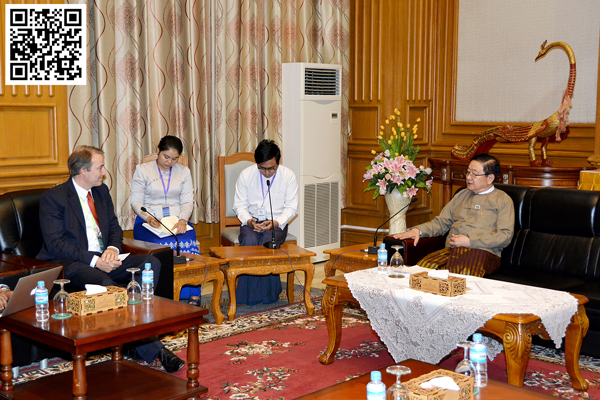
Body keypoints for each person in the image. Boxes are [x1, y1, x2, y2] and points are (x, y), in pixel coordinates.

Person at [36, 145, 184, 373]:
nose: (104, 172)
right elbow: (56, 244)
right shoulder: (54, 198)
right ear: (83, 171)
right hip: (72, 263)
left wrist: (113, 249)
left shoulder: (101, 191)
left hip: (105, 257)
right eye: (100, 167)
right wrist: (95, 261)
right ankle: (153, 349)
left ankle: (131, 338)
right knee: (107, 285)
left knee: (150, 264)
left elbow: (115, 227)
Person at [392, 154, 514, 277]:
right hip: (451, 250)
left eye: (474, 174)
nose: (468, 177)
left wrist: (470, 241)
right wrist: (419, 231)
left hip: (482, 252)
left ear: (490, 178)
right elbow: (441, 223)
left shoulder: (502, 200)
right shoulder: (461, 195)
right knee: (421, 272)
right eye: (468, 172)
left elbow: (505, 236)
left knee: (459, 277)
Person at [232, 139, 298, 305]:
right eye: (262, 168)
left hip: (276, 223)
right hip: (251, 221)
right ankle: (248, 296)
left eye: (271, 168)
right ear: (257, 163)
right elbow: (239, 206)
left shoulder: (288, 176)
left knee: (268, 242)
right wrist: (249, 221)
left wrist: (275, 223)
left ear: (278, 162)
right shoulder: (246, 175)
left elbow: (291, 208)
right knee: (250, 241)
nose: (267, 173)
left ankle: (267, 295)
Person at [131, 135, 200, 255]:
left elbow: (187, 201)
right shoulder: (142, 170)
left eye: (174, 159)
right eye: (166, 157)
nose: (169, 162)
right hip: (149, 221)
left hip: (177, 220)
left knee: (185, 240)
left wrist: (183, 220)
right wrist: (149, 218)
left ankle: (187, 267)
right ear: (158, 151)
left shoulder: (184, 172)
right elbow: (136, 202)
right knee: (160, 243)